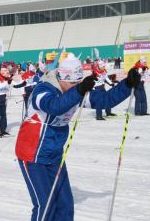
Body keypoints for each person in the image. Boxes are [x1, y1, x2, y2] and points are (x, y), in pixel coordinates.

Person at [15, 53, 141, 221]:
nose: (76, 86)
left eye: (79, 82)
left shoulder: (75, 91)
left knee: (65, 205)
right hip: (32, 155)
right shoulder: (42, 90)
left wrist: (127, 84)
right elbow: (55, 106)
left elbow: (105, 100)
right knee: (45, 206)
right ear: (62, 78)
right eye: (73, 83)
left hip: (54, 154)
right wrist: (79, 91)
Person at [0, 67, 12, 136]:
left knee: (3, 115)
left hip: (3, 98)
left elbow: (8, 89)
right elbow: (0, 88)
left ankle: (3, 129)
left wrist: (9, 82)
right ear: (2, 73)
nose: (8, 74)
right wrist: (7, 82)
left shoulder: (6, 79)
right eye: (6, 73)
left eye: (8, 73)